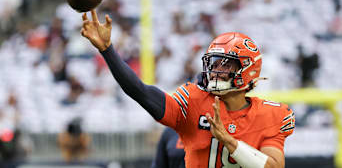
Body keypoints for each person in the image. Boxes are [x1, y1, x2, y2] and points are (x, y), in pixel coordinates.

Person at [80, 10, 295, 168]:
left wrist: (229, 141)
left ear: (247, 70)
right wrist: (108, 51)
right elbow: (142, 92)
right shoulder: (194, 100)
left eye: (225, 64)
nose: (215, 71)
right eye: (213, 64)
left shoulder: (270, 115)